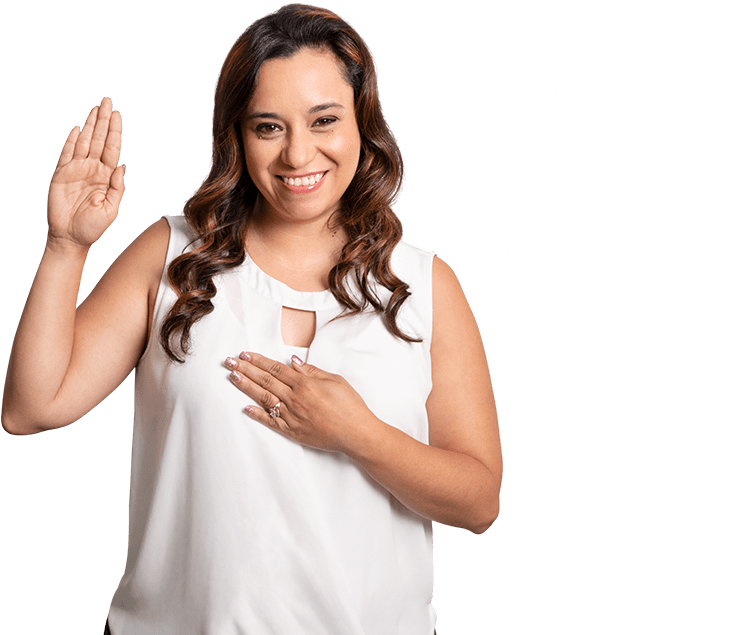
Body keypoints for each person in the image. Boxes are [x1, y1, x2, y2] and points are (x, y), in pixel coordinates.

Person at [2, 4, 502, 634]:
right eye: (269, 127)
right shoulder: (172, 255)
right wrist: (65, 248)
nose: (298, 154)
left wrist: (356, 432)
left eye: (325, 120)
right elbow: (31, 408)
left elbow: (480, 501)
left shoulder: (423, 283)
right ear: (236, 134)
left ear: (362, 125)